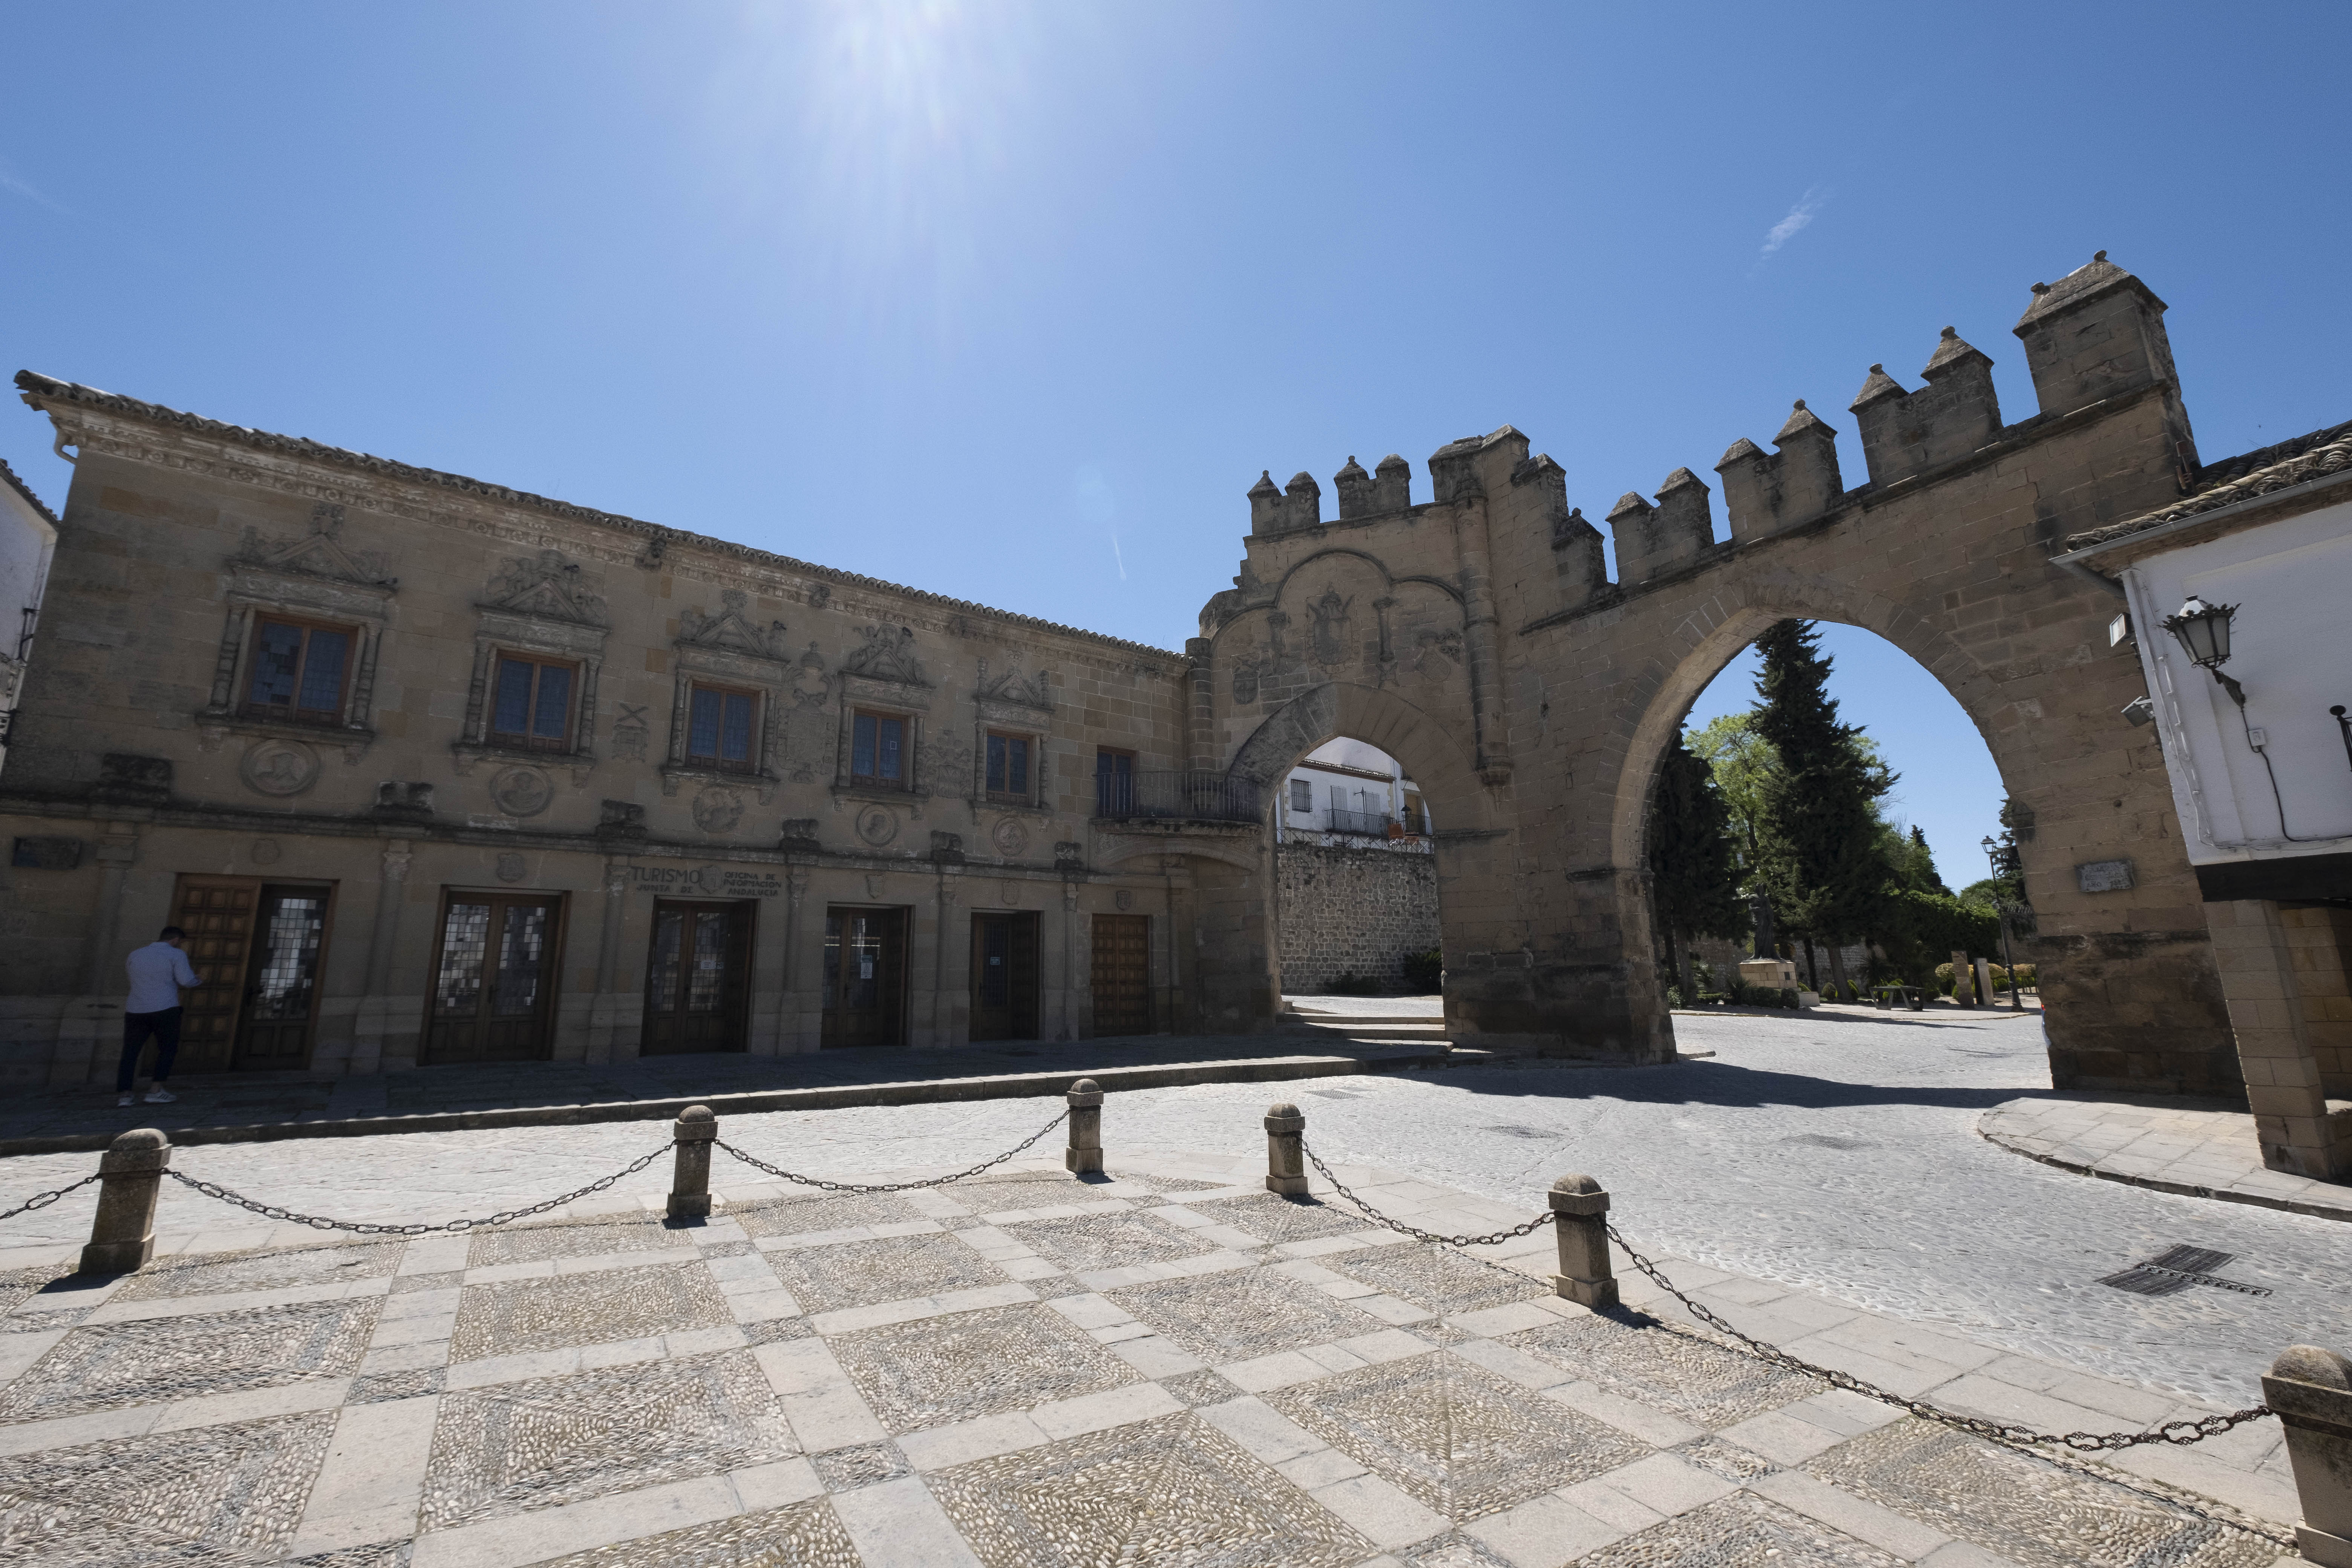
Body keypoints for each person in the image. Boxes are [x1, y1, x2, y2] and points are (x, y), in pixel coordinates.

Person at [119, 925, 198, 1108]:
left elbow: (132, 978)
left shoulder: (135, 954)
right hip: (165, 1008)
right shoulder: (176, 954)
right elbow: (186, 980)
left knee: (130, 1052)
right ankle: (155, 1090)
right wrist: (199, 980)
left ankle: (125, 1095)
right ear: (175, 940)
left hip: (136, 1008)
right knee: (168, 1049)